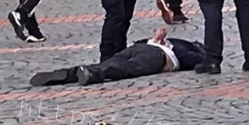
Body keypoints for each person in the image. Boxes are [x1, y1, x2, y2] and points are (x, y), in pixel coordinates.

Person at [29, 28, 205, 86]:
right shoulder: (183, 47)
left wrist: (156, 39)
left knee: (112, 62)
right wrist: (167, 45)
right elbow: (195, 60)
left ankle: (70, 73)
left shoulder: (175, 42)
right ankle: (93, 75)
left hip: (141, 46)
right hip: (157, 55)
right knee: (126, 68)